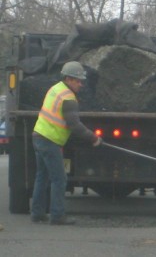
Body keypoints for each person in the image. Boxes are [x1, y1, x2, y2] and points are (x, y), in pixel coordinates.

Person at [31, 61, 102, 225]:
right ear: (68, 79)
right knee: (59, 179)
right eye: (77, 80)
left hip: (39, 136)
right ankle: (57, 216)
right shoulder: (68, 98)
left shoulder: (55, 88)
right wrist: (94, 138)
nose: (80, 84)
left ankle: (37, 213)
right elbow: (75, 125)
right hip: (50, 140)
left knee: (42, 176)